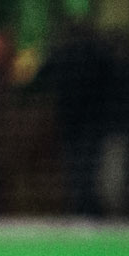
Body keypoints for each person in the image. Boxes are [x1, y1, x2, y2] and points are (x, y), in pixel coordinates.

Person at [29, 18, 118, 216]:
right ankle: (83, 210)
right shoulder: (90, 53)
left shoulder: (80, 53)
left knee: (81, 171)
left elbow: (39, 79)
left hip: (85, 123)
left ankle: (86, 211)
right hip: (77, 123)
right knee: (80, 170)